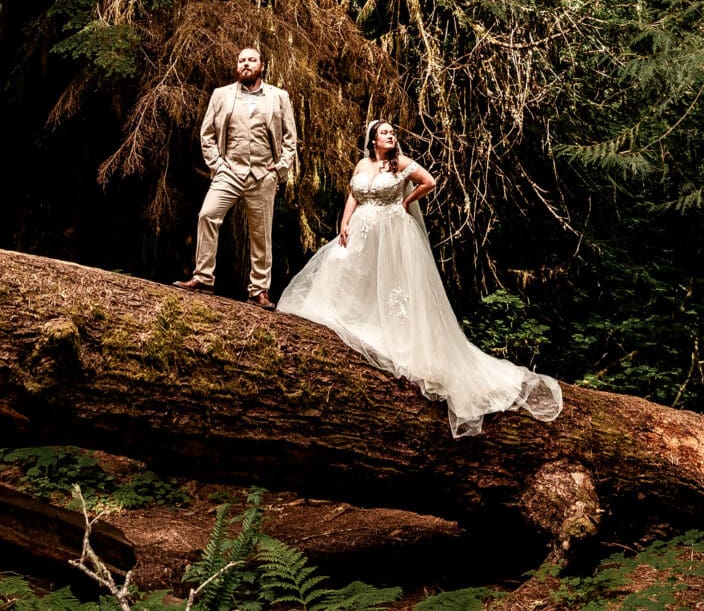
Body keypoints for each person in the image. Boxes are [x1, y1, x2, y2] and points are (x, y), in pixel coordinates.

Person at [278, 119, 565, 436]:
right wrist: (345, 222)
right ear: (373, 139)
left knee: (394, 287)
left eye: (392, 133)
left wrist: (405, 201)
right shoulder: (363, 163)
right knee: (346, 268)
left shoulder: (399, 162)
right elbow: (353, 193)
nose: (390, 136)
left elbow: (429, 181)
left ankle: (398, 339)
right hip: (361, 229)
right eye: (384, 132)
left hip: (392, 232)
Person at [179, 45, 298, 308]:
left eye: (251, 60)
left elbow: (291, 139)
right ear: (237, 66)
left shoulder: (279, 97)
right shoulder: (222, 95)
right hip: (229, 172)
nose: (246, 64)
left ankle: (259, 291)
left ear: (262, 66)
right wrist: (218, 165)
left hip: (262, 175)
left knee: (261, 234)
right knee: (207, 215)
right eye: (242, 60)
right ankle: (203, 277)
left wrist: (279, 169)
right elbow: (207, 134)